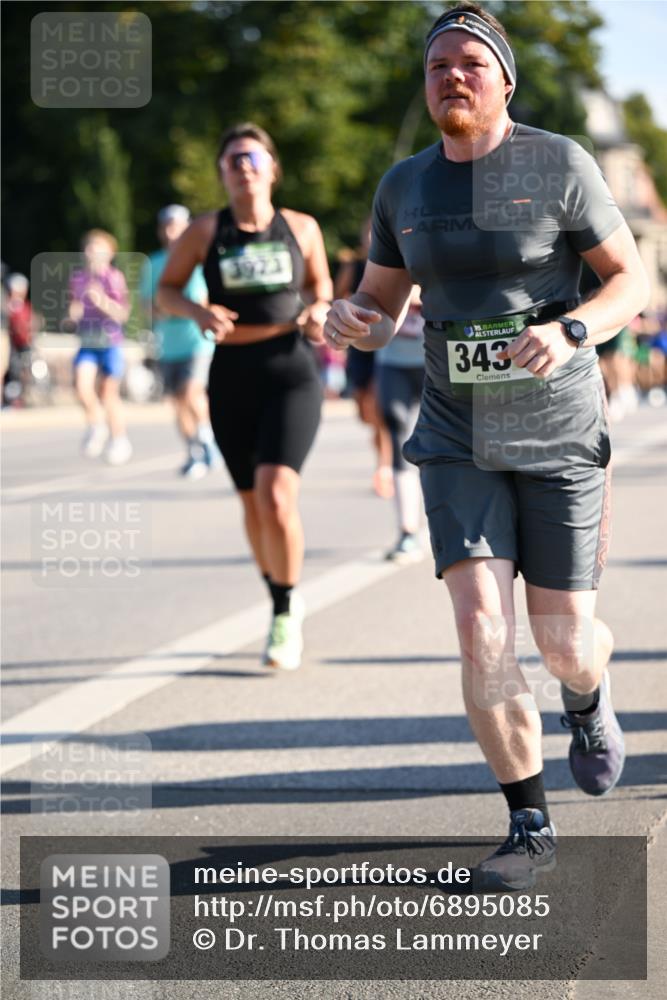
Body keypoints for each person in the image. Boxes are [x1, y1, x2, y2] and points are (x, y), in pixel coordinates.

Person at [324, 3, 649, 889]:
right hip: (456, 434)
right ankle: (528, 825)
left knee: (564, 641)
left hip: (555, 429)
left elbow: (632, 278)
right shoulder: (404, 187)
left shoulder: (560, 164)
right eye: (436, 67)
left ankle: (586, 697)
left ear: (505, 78)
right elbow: (379, 306)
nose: (452, 78)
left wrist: (575, 331)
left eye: (470, 63)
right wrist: (347, 319)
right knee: (480, 633)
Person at [158, 122, 332, 671]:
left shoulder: (301, 228)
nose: (243, 167)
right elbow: (166, 291)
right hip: (232, 371)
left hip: (291, 369)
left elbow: (323, 290)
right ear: (222, 173)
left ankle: (284, 611)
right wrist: (198, 311)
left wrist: (318, 313)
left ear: (272, 168)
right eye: (232, 159)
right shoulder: (206, 231)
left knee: (277, 493)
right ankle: (278, 590)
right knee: (251, 503)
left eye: (252, 158)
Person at [141, 204, 218, 478]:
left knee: (191, 392)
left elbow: (203, 302)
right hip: (169, 344)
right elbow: (149, 305)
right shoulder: (154, 263)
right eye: (167, 226)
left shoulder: (200, 259)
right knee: (177, 402)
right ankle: (193, 451)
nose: (171, 231)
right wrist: (176, 307)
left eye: (177, 225)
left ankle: (207, 436)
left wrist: (175, 306)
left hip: (198, 341)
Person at [335, 220, 394, 499]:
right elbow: (336, 297)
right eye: (366, 232)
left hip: (386, 346)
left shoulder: (397, 263)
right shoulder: (353, 266)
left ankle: (385, 465)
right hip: (358, 346)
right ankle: (384, 451)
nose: (371, 237)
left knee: (379, 406)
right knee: (365, 410)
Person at [69, 229, 132, 465]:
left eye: (96, 247)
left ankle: (120, 439)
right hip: (87, 341)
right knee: (82, 386)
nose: (90, 252)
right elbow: (74, 306)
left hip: (110, 342)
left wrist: (102, 301)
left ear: (109, 253)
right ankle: (96, 426)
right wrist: (73, 313)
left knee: (108, 393)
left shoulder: (113, 278)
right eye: (87, 247)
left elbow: (123, 314)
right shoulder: (78, 279)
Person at [376, 285, 426, 562]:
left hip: (436, 358)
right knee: (398, 436)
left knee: (450, 440)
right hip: (392, 361)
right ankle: (407, 530)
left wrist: (417, 294)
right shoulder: (381, 250)